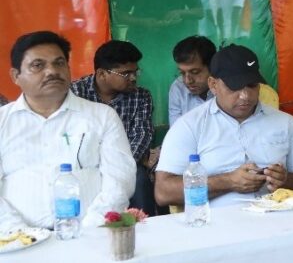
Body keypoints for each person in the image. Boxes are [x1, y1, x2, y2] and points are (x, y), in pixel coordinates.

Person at [0, 31, 135, 230]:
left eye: (59, 63)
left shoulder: (102, 116)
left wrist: (88, 230)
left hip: (91, 234)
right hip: (16, 239)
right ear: (15, 76)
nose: (51, 71)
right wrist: (23, 235)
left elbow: (120, 181)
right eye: (38, 65)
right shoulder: (3, 122)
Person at [154, 45, 293, 208]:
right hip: (216, 221)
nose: (245, 96)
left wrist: (286, 180)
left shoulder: (286, 123)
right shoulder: (189, 126)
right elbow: (163, 192)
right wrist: (228, 182)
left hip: (279, 217)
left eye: (252, 85)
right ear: (213, 85)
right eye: (234, 86)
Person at [69, 40, 155, 216]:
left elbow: (142, 135)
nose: (133, 78)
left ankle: (145, 226)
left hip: (126, 161)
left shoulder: (141, 96)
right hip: (85, 164)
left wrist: (119, 165)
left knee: (139, 178)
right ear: (102, 74)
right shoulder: (75, 93)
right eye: (126, 73)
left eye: (135, 72)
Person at [168, 35, 217, 126]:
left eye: (195, 72)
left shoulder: (225, 87)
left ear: (212, 67)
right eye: (182, 73)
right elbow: (176, 130)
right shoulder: (178, 88)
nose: (187, 81)